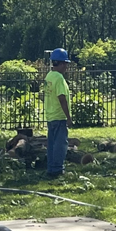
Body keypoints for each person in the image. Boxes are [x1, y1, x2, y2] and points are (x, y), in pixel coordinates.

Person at [43, 48, 73, 177]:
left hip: (50, 115)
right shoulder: (59, 78)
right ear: (60, 63)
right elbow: (62, 98)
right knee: (60, 144)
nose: (66, 66)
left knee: (52, 144)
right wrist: (68, 117)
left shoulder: (49, 76)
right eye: (65, 64)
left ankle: (51, 167)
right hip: (59, 115)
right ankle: (57, 169)